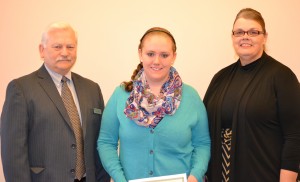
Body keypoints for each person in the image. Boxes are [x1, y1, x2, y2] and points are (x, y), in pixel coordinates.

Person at [97, 27, 211, 182]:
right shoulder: (121, 95)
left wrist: (195, 176)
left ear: (173, 57)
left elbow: (202, 144)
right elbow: (106, 142)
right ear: (140, 54)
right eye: (150, 54)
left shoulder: (191, 97)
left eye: (164, 55)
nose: (157, 61)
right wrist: (118, 178)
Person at [1, 22, 110, 182]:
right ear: (42, 50)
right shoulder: (21, 89)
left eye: (70, 47)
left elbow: (100, 142)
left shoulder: (92, 88)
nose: (65, 53)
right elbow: (13, 152)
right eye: (57, 47)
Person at [203, 8, 300, 182]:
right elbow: (203, 132)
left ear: (265, 37)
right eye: (239, 32)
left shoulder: (282, 77)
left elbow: (294, 136)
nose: (245, 37)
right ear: (232, 37)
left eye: (253, 32)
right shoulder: (220, 78)